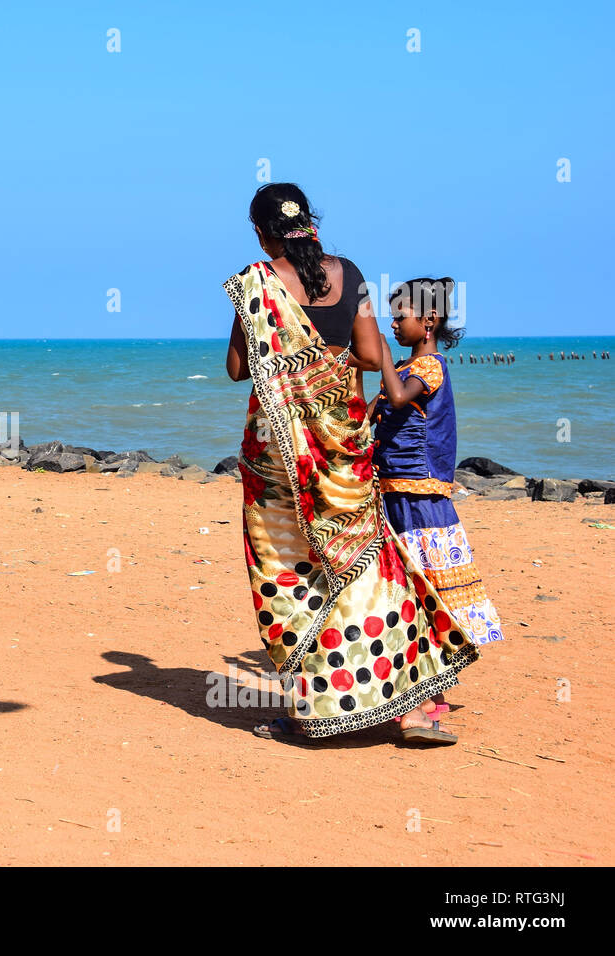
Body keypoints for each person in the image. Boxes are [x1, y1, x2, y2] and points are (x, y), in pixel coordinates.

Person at [224, 183, 479, 745]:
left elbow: (238, 369)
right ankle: (409, 708)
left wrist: (263, 329)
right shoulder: (352, 275)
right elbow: (368, 355)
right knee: (366, 562)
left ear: (261, 232)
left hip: (276, 453)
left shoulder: (254, 284)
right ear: (310, 223)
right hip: (344, 445)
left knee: (291, 576)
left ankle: (314, 708)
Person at [370, 278, 504, 718]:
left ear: (428, 321)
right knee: (414, 591)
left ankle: (430, 694)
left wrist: (381, 354)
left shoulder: (428, 369)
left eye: (399, 316)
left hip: (420, 496)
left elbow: (394, 395)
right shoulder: (409, 370)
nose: (392, 324)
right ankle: (428, 689)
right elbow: (377, 407)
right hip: (397, 492)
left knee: (425, 590)